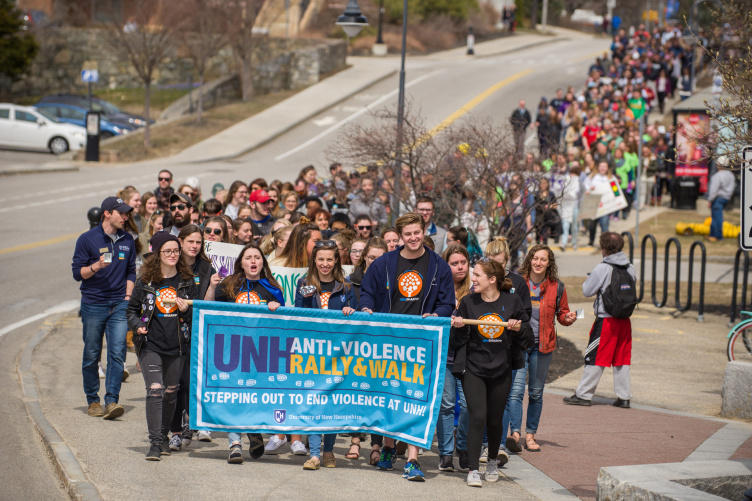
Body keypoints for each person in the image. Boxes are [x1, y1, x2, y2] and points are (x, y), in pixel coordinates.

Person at [360, 212, 455, 481]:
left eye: (417, 232)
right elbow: (367, 290)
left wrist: (438, 314)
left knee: (414, 398)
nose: (413, 238)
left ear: (424, 232)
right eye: (408, 234)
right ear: (400, 237)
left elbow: (448, 302)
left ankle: (413, 459)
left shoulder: (438, 266)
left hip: (420, 343)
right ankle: (388, 447)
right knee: (389, 397)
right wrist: (366, 307)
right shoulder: (384, 263)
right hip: (387, 343)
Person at [449, 258, 533, 487]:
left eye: (477, 275)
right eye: (473, 274)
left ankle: (493, 460)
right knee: (477, 416)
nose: (472, 278)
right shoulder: (468, 302)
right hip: (474, 369)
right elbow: (456, 343)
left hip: (501, 369)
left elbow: (528, 338)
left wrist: (517, 328)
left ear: (492, 279)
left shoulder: (512, 300)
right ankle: (474, 469)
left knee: (495, 420)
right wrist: (458, 328)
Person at [207, 243, 283, 462]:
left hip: (260, 353)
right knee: (233, 395)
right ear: (241, 262)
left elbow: (284, 321)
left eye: (257, 257)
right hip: (231, 350)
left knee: (254, 395)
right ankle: (235, 443)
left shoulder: (272, 288)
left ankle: (254, 430)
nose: (253, 261)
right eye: (248, 257)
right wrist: (212, 288)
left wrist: (276, 308)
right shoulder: (229, 285)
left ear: (263, 262)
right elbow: (209, 309)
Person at [126, 232, 198, 460]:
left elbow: (195, 315)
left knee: (170, 393)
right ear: (157, 255)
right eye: (167, 251)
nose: (173, 255)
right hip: (150, 345)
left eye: (176, 251)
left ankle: (164, 435)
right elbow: (131, 311)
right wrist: (138, 326)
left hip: (177, 346)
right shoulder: (146, 282)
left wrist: (186, 311)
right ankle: (156, 442)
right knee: (155, 390)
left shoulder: (187, 282)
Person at [506, 245, 576, 453]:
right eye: (535, 258)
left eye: (543, 259)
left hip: (542, 346)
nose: (538, 263)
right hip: (519, 344)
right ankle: (515, 434)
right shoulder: (518, 283)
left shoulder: (557, 287)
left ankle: (530, 435)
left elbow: (562, 314)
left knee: (536, 393)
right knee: (516, 391)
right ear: (529, 260)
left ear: (549, 263)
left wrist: (568, 318)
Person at [71, 196, 136, 420]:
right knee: (91, 354)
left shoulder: (127, 239)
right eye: (122, 213)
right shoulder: (87, 239)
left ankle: (111, 401)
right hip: (93, 304)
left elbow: (131, 271)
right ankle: (93, 401)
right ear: (107, 213)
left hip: (119, 304)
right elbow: (77, 273)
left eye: (127, 213)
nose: (126, 217)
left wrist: (127, 296)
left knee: (117, 354)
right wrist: (96, 266)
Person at [294, 240, 357, 469]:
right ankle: (314, 454)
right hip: (312, 354)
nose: (325, 263)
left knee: (332, 403)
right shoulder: (305, 283)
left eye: (330, 259)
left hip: (339, 355)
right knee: (314, 401)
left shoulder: (346, 286)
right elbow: (299, 314)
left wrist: (351, 312)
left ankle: (329, 450)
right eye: (320, 259)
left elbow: (355, 323)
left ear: (336, 261)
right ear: (314, 260)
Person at [564, 232, 635, 408]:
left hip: (606, 321)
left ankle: (583, 395)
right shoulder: (630, 267)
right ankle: (624, 397)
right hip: (625, 320)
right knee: (622, 359)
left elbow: (587, 291)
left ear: (604, 248)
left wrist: (590, 279)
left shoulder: (603, 268)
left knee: (595, 357)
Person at [168, 225, 216, 451]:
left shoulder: (207, 267)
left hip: (196, 332)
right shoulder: (171, 265)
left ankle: (189, 423)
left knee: (189, 383)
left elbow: (208, 303)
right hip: (171, 331)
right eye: (191, 242)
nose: (195, 246)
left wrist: (214, 286)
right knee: (173, 385)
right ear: (181, 241)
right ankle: (174, 431)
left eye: (198, 242)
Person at [436, 244, 471, 473]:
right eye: (454, 263)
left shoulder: (475, 291)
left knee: (468, 406)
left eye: (463, 263)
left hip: (468, 357)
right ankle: (446, 454)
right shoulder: (440, 289)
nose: (460, 267)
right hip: (444, 355)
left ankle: (464, 447)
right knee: (447, 405)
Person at [348, 237, 387, 305]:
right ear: (365, 256)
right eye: (372, 258)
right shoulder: (349, 282)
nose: (376, 262)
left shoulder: (391, 280)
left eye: (381, 259)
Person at [585, 161, 615, 247]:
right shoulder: (592, 177)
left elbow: (616, 191)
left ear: (607, 168)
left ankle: (606, 245)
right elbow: (586, 186)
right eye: (601, 166)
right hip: (593, 206)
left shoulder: (611, 178)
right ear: (598, 167)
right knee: (592, 226)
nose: (602, 168)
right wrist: (589, 189)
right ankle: (591, 242)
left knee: (604, 225)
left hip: (605, 207)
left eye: (604, 166)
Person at [707, 157, 736, 242]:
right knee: (717, 216)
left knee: (717, 217)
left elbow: (713, 190)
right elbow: (733, 187)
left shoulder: (717, 176)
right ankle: (713, 234)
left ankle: (717, 236)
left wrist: (710, 200)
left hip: (718, 198)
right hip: (726, 198)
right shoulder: (731, 175)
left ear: (718, 165)